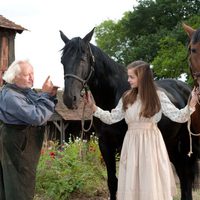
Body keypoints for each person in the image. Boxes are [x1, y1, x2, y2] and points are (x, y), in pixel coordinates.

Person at [85, 60, 198, 200]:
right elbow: (112, 117)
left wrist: (191, 105)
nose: (128, 80)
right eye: (128, 76)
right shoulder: (127, 97)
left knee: (150, 183)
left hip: (151, 145)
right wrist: (93, 108)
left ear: (142, 77)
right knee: (132, 185)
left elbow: (178, 116)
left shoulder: (158, 97)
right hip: (131, 145)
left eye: (131, 77)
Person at [0, 60, 58, 200]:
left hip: (24, 147)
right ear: (14, 77)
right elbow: (37, 116)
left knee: (21, 184)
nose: (32, 78)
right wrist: (45, 95)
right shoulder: (11, 96)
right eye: (27, 75)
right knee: (19, 187)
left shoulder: (25, 92)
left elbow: (39, 103)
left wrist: (49, 95)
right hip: (18, 147)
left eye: (33, 73)